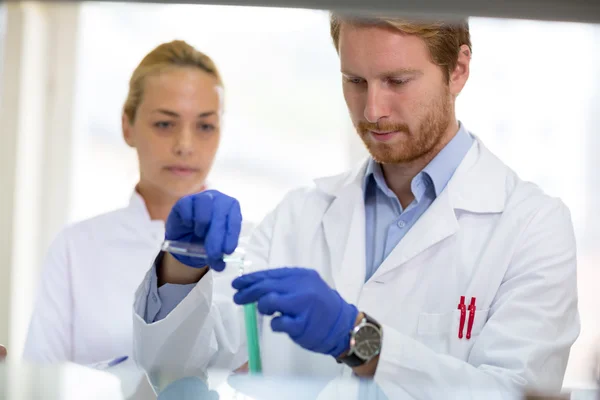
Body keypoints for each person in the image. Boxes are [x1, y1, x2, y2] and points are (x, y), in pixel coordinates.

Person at [132, 15, 580, 398]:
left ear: (458, 70)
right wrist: (180, 268)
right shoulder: (299, 215)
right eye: (355, 81)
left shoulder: (533, 226)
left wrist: (360, 341)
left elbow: (514, 394)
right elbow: (178, 371)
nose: (372, 110)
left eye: (397, 81)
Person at [23, 40, 232, 365]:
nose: (185, 145)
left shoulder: (252, 251)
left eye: (205, 126)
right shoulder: (76, 249)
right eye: (165, 124)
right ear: (127, 125)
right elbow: (41, 382)